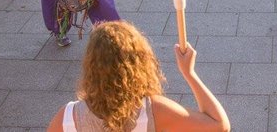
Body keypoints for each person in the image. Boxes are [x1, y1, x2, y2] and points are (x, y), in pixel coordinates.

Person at [46, 21, 230, 132]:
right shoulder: (153, 110)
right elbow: (219, 125)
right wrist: (189, 73)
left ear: (90, 66)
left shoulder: (67, 117)